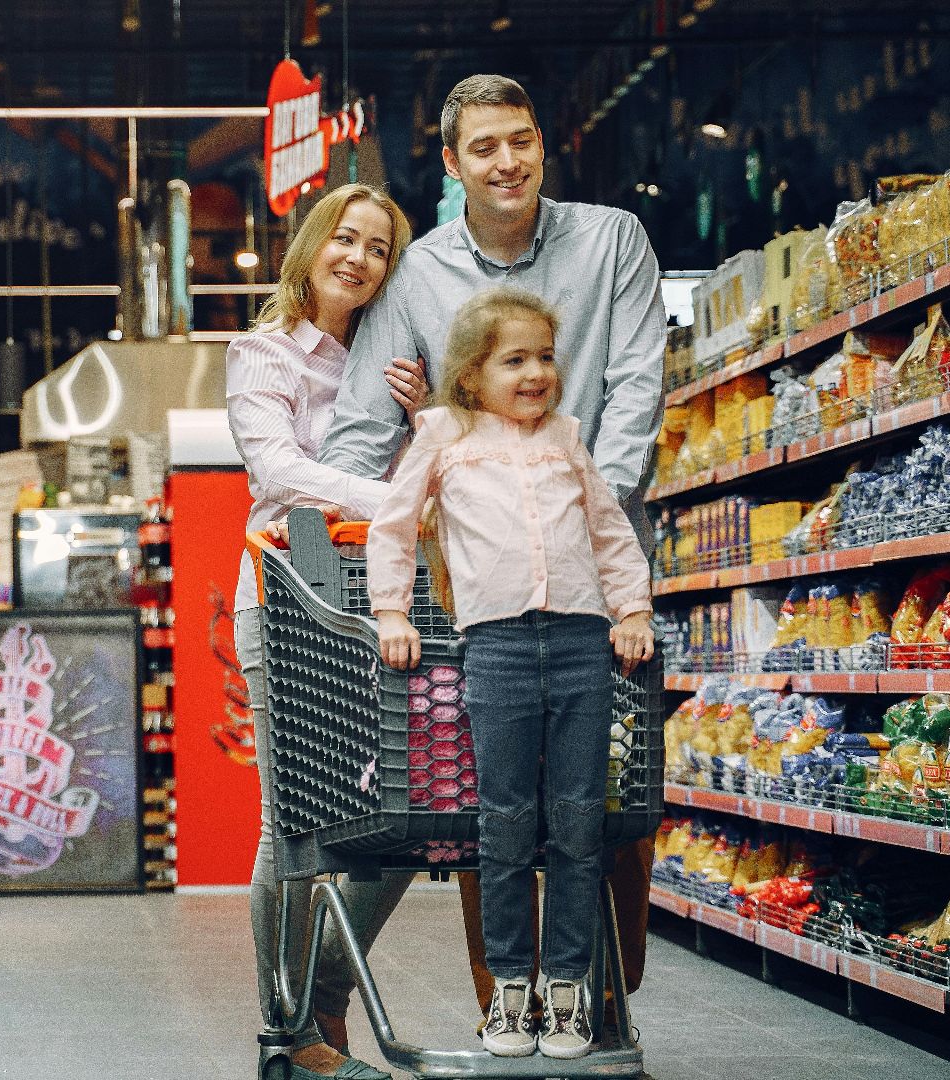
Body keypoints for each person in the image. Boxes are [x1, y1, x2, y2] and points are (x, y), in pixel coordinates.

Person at [310, 73, 667, 1052]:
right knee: (491, 804)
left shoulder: (611, 244)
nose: (506, 161)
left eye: (522, 140)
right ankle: (507, 995)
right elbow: (357, 433)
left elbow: (638, 385)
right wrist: (349, 501)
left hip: (601, 580)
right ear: (451, 162)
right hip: (480, 596)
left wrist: (583, 499)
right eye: (484, 147)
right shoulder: (418, 276)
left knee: (612, 802)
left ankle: (599, 992)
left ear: (543, 143)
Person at [366, 287, 654, 1058]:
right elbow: (393, 525)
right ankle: (508, 992)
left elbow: (607, 529)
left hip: (582, 643)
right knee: (502, 823)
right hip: (491, 648)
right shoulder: (442, 434)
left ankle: (567, 990)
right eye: (514, 359)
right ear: (470, 376)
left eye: (546, 358)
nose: (536, 373)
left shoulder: (566, 437)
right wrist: (391, 611)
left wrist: (632, 609)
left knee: (575, 822)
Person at [226, 181, 426, 1080]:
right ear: (312, 245)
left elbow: (441, 458)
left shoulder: (395, 364)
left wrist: (423, 416)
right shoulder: (263, 352)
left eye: (378, 248)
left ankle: (330, 993)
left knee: (408, 815)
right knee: (295, 821)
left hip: (383, 604)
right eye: (344, 238)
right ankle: (283, 1021)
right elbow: (278, 471)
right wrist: (397, 501)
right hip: (287, 598)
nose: (358, 257)